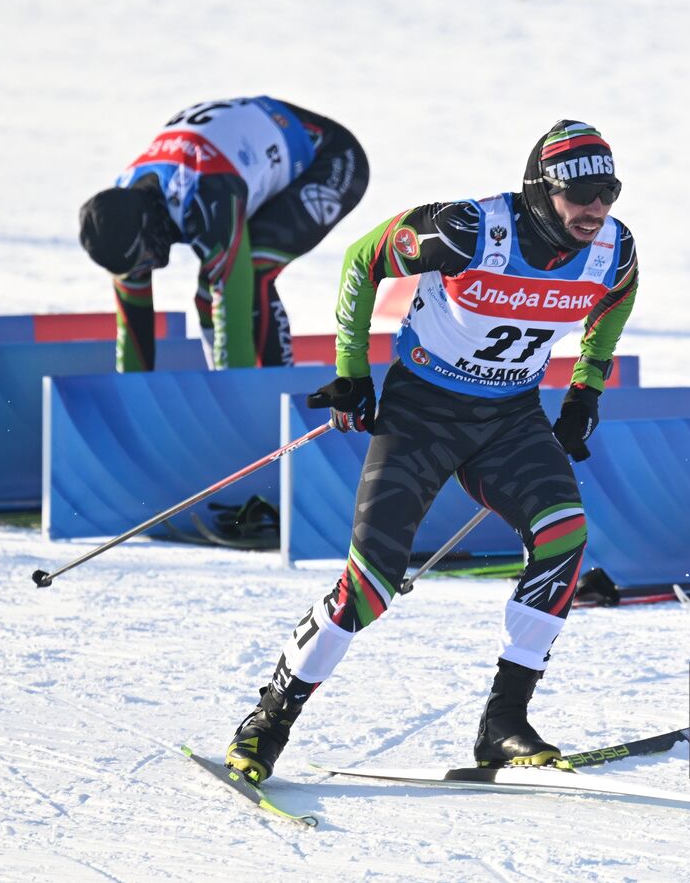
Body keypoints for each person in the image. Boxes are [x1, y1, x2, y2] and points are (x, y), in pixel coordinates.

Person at [225, 120, 638, 782]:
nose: (595, 208)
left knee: (565, 538)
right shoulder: (468, 229)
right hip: (423, 412)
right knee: (372, 585)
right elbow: (363, 260)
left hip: (509, 417)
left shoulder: (612, 251)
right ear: (540, 190)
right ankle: (268, 721)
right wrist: (353, 369)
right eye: (579, 193)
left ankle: (503, 724)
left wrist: (585, 390)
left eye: (608, 192)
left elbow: (614, 305)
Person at [77, 96, 368, 371]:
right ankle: (250, 388)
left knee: (251, 270)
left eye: (143, 260)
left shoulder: (204, 198)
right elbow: (133, 328)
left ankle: (277, 390)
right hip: (243, 153)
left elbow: (234, 310)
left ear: (147, 226)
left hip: (330, 157)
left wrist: (236, 392)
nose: (145, 269)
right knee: (210, 292)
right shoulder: (123, 212)